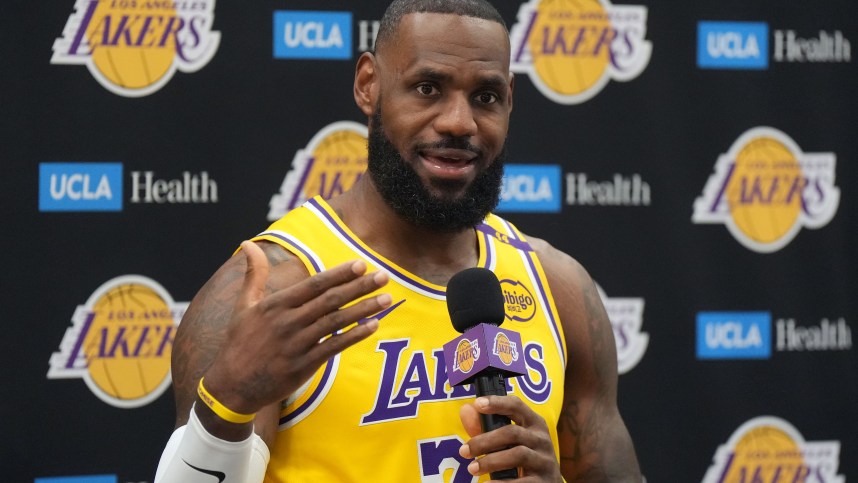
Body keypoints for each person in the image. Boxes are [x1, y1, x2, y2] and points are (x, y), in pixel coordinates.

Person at [155, 0, 642, 481]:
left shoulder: (558, 288)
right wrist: (227, 402)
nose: (459, 122)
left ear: (510, 100)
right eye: (428, 88)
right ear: (369, 85)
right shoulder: (272, 289)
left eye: (486, 97)